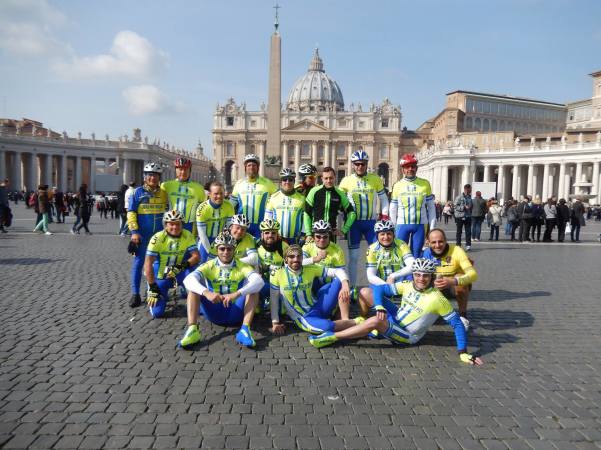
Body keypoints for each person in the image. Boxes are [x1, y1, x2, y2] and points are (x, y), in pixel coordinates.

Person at [307, 259, 483, 366]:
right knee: (367, 292)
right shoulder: (407, 285)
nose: (421, 279)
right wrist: (380, 306)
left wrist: (463, 352)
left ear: (431, 277)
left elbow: (457, 324)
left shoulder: (438, 299)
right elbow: (379, 290)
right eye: (418, 275)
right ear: (413, 275)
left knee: (375, 321)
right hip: (396, 318)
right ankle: (367, 326)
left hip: (407, 335)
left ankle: (331, 337)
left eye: (426, 276)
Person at [180, 232, 265, 348]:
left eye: (229, 249)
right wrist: (207, 293)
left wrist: (236, 294)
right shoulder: (209, 265)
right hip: (213, 310)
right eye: (222, 249)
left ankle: (245, 330)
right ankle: (192, 330)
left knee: (254, 290)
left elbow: (259, 282)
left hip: (235, 311)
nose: (226, 252)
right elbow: (188, 280)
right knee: (193, 290)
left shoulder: (242, 265)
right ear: (216, 250)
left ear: (234, 250)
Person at [269, 245, 352, 337]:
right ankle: (356, 322)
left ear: (302, 258)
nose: (296, 259)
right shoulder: (277, 274)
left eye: (299, 256)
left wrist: (345, 285)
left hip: (318, 307)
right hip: (303, 317)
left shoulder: (310, 269)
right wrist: (275, 323)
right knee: (327, 326)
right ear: (285, 259)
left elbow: (338, 271)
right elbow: (274, 300)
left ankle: (345, 318)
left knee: (339, 280)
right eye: (291, 257)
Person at [339, 150, 389, 287]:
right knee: (354, 258)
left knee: (378, 256)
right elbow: (339, 201)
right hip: (353, 224)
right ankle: (353, 288)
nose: (360, 166)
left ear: (367, 164)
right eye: (357, 164)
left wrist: (384, 216)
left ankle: (379, 287)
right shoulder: (346, 181)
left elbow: (384, 199)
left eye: (363, 164)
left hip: (371, 223)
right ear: (353, 165)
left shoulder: (375, 179)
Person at [127, 162, 168, 308]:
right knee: (139, 264)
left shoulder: (163, 193)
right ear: (145, 177)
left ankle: (156, 290)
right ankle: (135, 293)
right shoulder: (137, 193)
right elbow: (131, 213)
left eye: (156, 175)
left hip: (159, 236)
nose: (153, 178)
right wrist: (134, 232)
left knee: (159, 264)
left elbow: (166, 213)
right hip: (142, 235)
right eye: (150, 175)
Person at [144, 210, 200, 318]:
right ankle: (161, 293)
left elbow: (196, 256)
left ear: (182, 224)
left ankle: (187, 290)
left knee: (194, 272)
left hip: (179, 271)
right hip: (161, 275)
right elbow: (147, 264)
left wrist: (182, 266)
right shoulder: (157, 238)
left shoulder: (187, 235)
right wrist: (152, 287)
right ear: (165, 225)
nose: (175, 227)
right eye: (171, 224)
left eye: (178, 224)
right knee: (158, 313)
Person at [355, 220, 415, 316]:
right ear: (377, 235)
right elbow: (371, 276)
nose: (386, 237)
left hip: (401, 285)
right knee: (363, 293)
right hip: (382, 285)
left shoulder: (401, 245)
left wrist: (393, 276)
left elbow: (412, 265)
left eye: (389, 234)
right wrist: (388, 287)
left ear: (393, 234)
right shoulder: (372, 249)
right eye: (382, 234)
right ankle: (363, 317)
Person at [422, 228, 478, 327]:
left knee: (460, 277)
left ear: (446, 240)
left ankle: (463, 316)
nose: (437, 245)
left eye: (440, 241)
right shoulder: (426, 254)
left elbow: (473, 275)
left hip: (454, 286)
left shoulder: (457, 250)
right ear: (428, 243)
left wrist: (453, 281)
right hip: (436, 288)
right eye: (434, 242)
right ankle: (436, 310)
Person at [389, 154, 436, 257]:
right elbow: (393, 208)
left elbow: (431, 208)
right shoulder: (397, 185)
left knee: (416, 254)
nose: (410, 169)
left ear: (417, 168)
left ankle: (415, 273)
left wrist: (432, 229)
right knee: (400, 255)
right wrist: (392, 227)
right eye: (407, 167)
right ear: (402, 169)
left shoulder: (425, 184)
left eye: (413, 166)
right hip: (402, 225)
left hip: (420, 225)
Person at [302, 220, 350, 319]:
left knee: (340, 282)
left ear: (329, 236)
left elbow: (341, 273)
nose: (321, 240)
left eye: (325, 237)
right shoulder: (307, 247)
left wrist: (345, 285)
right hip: (311, 285)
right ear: (313, 236)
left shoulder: (337, 250)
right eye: (318, 237)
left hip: (328, 286)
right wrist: (316, 259)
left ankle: (339, 311)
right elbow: (297, 264)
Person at [303, 166, 356, 243]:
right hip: (316, 233)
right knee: (315, 255)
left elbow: (352, 213)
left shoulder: (340, 193)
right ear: (322, 179)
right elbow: (307, 213)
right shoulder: (314, 191)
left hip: (331, 233)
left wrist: (344, 230)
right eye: (326, 178)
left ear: (335, 177)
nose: (328, 181)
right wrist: (308, 233)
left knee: (332, 255)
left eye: (331, 178)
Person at [230, 154, 277, 239]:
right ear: (245, 167)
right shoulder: (239, 184)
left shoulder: (267, 183)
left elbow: (278, 200)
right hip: (242, 226)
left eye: (254, 165)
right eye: (249, 165)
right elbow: (231, 205)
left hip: (261, 226)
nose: (251, 167)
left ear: (258, 167)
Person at [161, 157, 206, 234]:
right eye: (180, 169)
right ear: (175, 170)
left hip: (190, 225)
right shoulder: (166, 186)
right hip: (171, 224)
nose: (183, 172)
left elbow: (203, 209)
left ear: (190, 171)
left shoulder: (199, 188)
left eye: (186, 169)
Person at [196, 181, 235, 263]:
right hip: (206, 240)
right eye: (216, 194)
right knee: (202, 266)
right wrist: (210, 252)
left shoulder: (229, 206)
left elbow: (229, 229)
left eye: (221, 193)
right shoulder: (202, 208)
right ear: (209, 194)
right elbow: (202, 235)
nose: (219, 196)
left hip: (221, 240)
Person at [265, 168, 306, 245]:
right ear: (281, 182)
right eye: (284, 179)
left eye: (290, 179)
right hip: (278, 238)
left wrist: (303, 235)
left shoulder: (302, 198)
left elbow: (305, 219)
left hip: (296, 239)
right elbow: (267, 218)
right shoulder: (273, 197)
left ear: (294, 182)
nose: (287, 182)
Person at [256, 218, 288, 305]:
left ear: (277, 234)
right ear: (261, 234)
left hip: (279, 280)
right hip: (264, 280)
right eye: (267, 232)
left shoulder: (284, 246)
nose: (270, 235)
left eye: (273, 233)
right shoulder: (256, 244)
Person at [453, 184, 473, 250]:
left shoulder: (470, 197)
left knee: (468, 231)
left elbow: (471, 206)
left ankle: (468, 245)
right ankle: (458, 245)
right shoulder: (459, 197)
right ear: (466, 189)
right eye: (470, 189)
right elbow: (455, 206)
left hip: (468, 216)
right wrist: (463, 207)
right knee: (459, 231)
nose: (471, 191)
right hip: (460, 216)